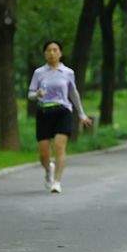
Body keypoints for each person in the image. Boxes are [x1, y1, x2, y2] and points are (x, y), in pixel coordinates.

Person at [27, 41, 91, 194]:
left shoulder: (68, 72)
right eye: (48, 50)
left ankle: (57, 182)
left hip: (63, 111)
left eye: (55, 50)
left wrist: (81, 113)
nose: (52, 53)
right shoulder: (39, 73)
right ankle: (48, 169)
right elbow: (30, 95)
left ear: (60, 53)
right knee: (43, 153)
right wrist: (37, 94)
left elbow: (73, 94)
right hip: (44, 112)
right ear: (45, 54)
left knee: (59, 147)